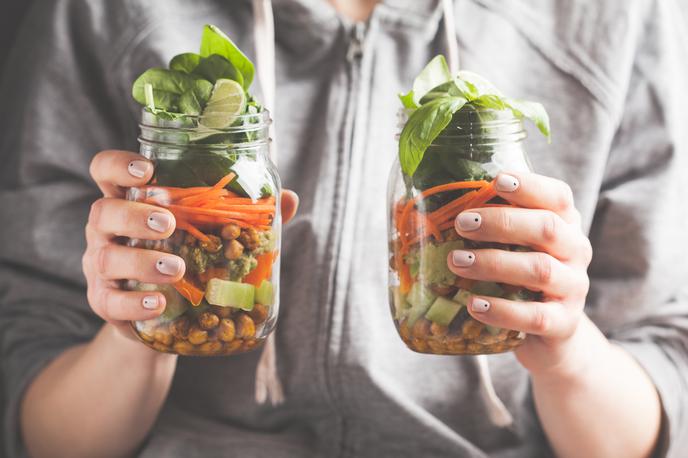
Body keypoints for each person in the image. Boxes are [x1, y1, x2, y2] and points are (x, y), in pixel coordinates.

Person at [1, 0, 687, 457]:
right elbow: (42, 423)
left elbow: (661, 393)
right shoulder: (100, 13)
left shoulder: (614, 16)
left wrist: (566, 352)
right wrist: (149, 319)